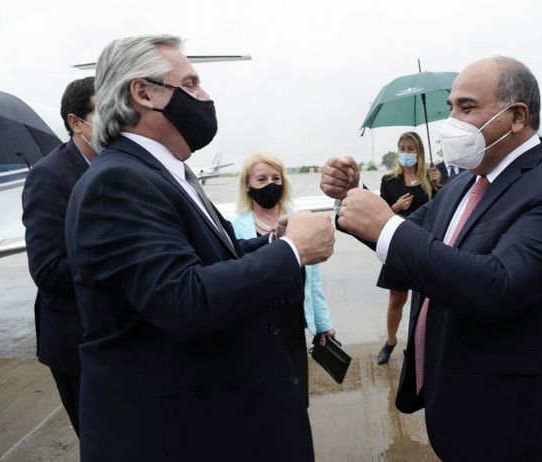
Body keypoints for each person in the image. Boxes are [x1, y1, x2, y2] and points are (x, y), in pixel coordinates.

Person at [321, 56, 542, 461]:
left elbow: (499, 286)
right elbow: (408, 236)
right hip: (454, 401)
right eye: (451, 107)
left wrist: (384, 225)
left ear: (516, 116)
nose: (451, 121)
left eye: (467, 107)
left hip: (513, 418)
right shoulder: (463, 186)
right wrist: (355, 194)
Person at [64, 34, 334, 462]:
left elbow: (212, 257)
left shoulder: (167, 172)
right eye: (189, 84)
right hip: (175, 435)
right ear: (144, 93)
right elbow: (183, 299)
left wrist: (272, 240)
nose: (204, 97)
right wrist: (292, 252)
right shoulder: (118, 181)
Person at [21, 76, 97, 436]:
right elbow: (47, 270)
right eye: (104, 111)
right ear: (76, 122)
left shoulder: (121, 164)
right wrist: (117, 254)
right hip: (77, 341)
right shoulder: (49, 177)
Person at [229, 153, 336, 404]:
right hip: (254, 323)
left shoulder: (300, 222)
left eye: (276, 178)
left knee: (297, 395)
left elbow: (313, 280)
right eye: (262, 179)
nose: (270, 184)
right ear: (247, 185)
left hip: (292, 322)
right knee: (261, 395)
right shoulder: (233, 226)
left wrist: (323, 324)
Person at [376, 132, 433, 365]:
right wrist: (396, 207)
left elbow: (443, 209)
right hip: (398, 246)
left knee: (426, 301)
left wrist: (441, 184)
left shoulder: (431, 179)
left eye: (411, 148)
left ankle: (419, 343)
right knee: (396, 300)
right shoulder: (389, 181)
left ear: (419, 151)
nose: (406, 153)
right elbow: (379, 216)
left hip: (424, 247)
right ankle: (390, 342)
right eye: (402, 148)